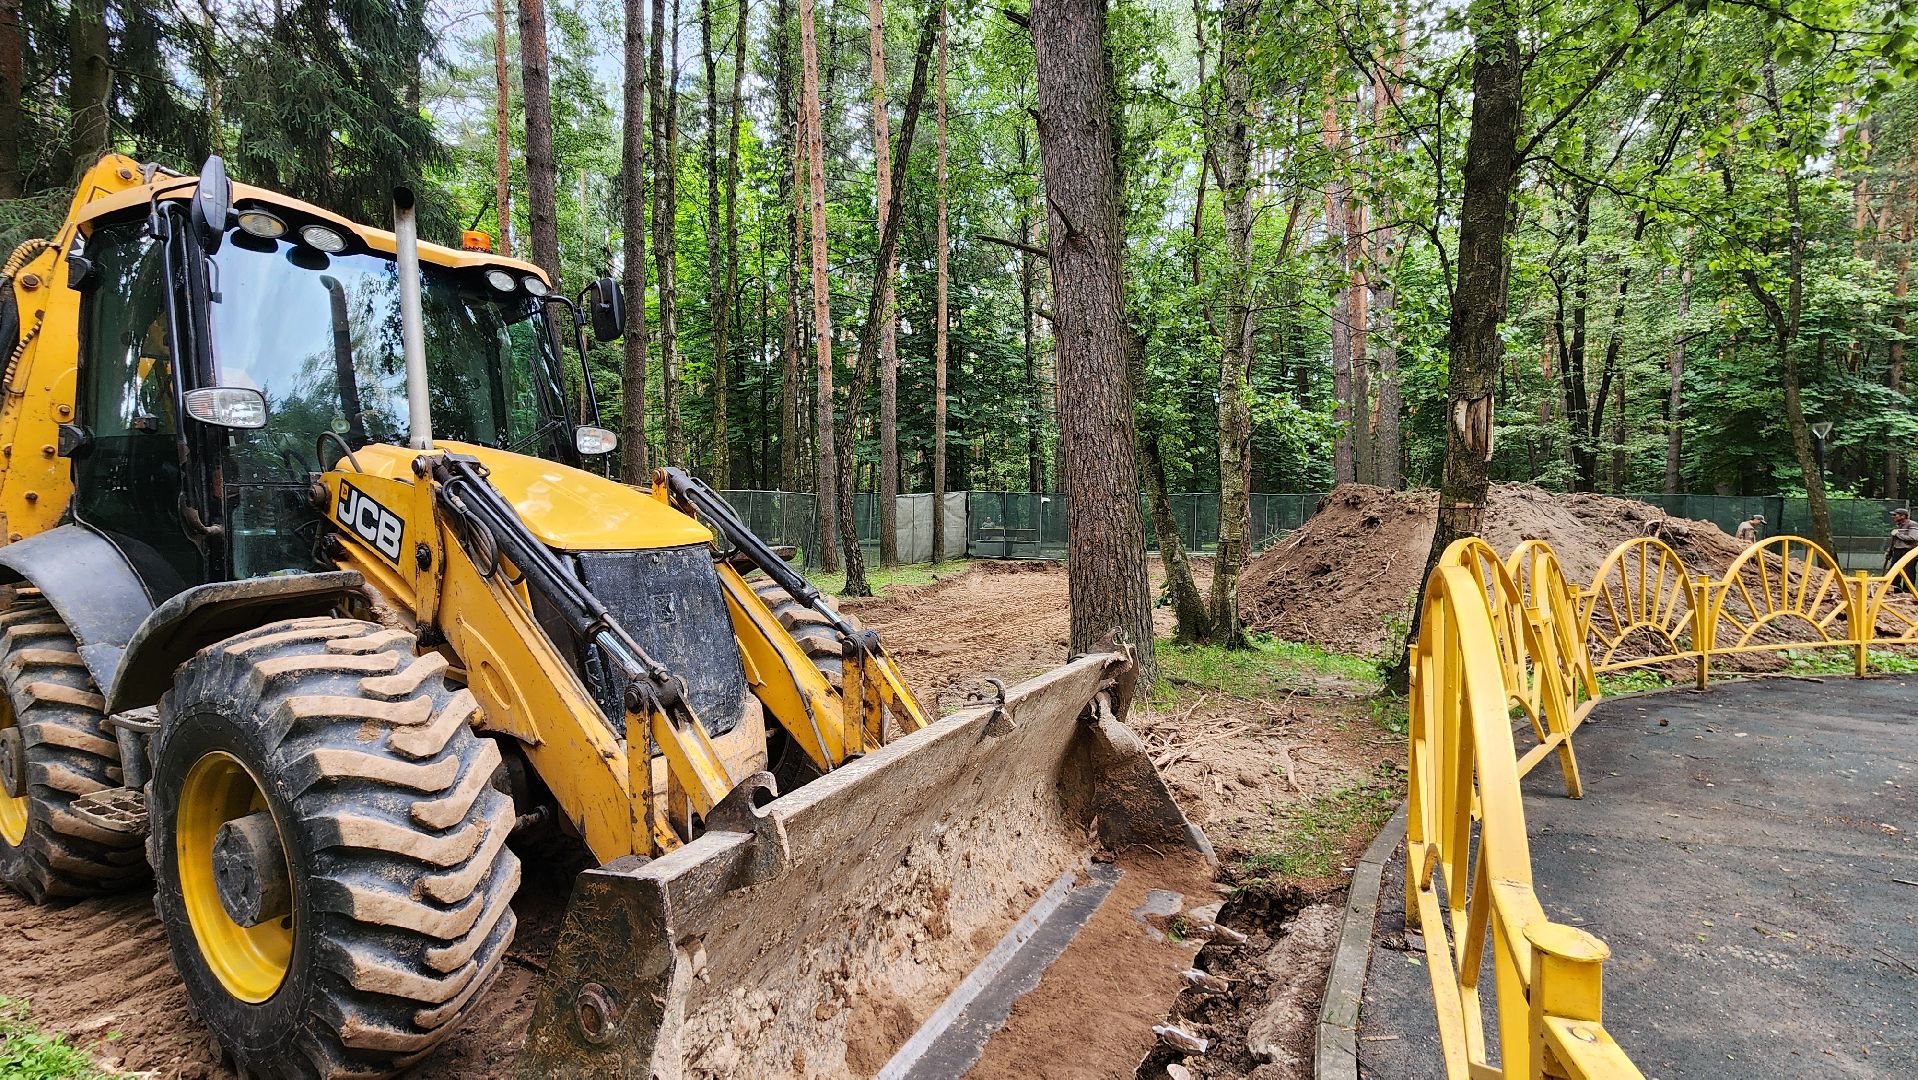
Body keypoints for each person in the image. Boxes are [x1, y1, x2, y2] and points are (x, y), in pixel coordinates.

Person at [1888, 508, 1918, 593]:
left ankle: (1908, 591)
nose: (1893, 516)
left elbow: (1913, 538)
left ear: (1903, 516)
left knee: (1909, 571)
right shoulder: (1898, 525)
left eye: (1895, 515)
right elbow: (1894, 540)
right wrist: (1890, 551)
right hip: (1897, 550)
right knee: (1894, 570)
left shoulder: (1912, 524)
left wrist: (1898, 534)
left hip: (1909, 551)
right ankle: (1896, 589)